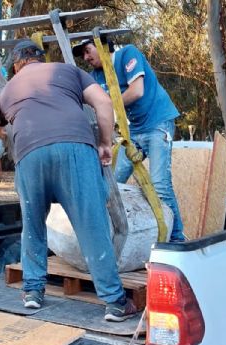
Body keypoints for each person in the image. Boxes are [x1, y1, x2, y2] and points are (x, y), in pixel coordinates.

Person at [0, 40, 138, 322]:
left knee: (32, 225)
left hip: (30, 156)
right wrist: (105, 142)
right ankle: (115, 303)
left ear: (17, 65)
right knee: (92, 225)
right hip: (75, 149)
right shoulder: (67, 71)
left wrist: (0, 134)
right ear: (41, 59)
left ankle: (32, 292)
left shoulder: (8, 90)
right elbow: (103, 102)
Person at [73, 40, 185, 242]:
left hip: (158, 123)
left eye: (88, 51)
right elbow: (83, 98)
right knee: (114, 181)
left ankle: (176, 239)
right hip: (133, 131)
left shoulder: (128, 54)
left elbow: (137, 91)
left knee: (160, 185)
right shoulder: (96, 76)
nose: (86, 58)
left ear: (103, 45)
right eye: (82, 55)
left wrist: (107, 105)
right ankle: (115, 236)